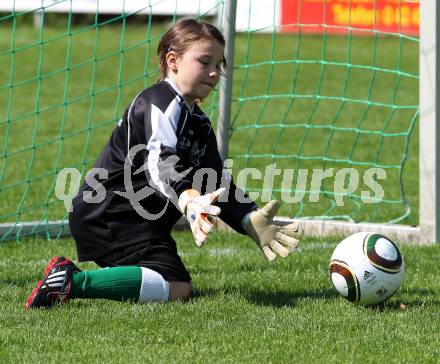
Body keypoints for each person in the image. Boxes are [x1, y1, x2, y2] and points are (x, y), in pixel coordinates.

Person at [25, 18, 301, 309]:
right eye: (204, 61)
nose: (212, 72)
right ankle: (70, 281)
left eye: (218, 65)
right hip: (111, 215)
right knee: (176, 285)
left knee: (171, 282)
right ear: (173, 60)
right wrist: (188, 199)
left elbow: (215, 181)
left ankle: (100, 277)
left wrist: (248, 217)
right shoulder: (159, 102)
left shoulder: (197, 122)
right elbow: (159, 163)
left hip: (136, 220)